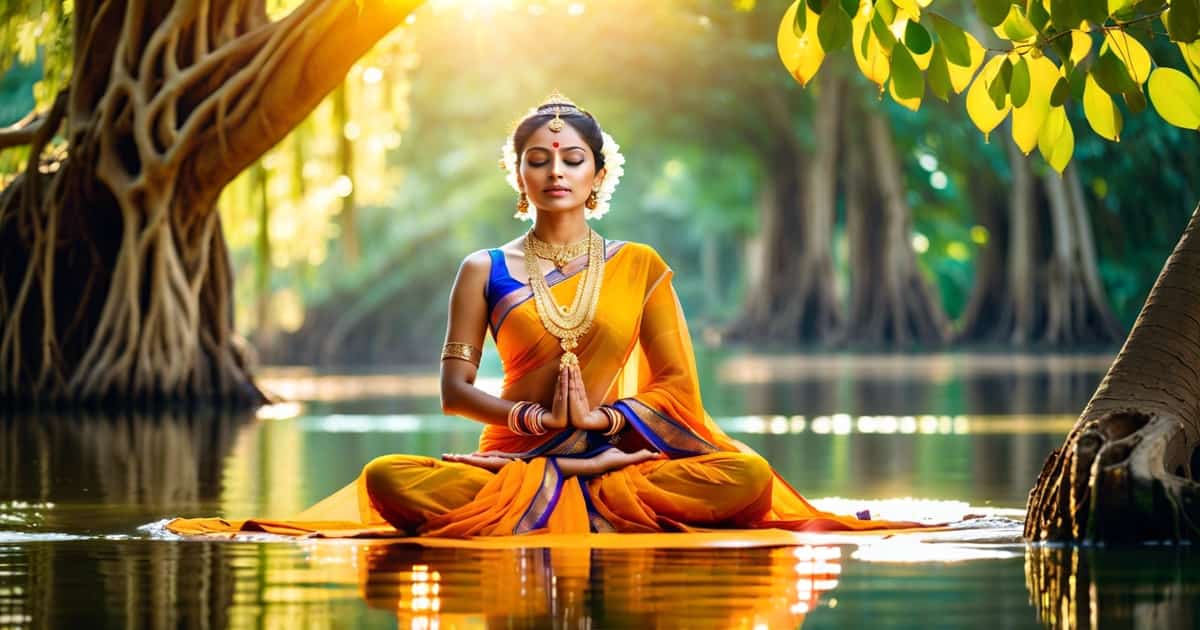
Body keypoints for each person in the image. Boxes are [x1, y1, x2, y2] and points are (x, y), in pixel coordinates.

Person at [167, 92, 922, 539]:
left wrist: (600, 426)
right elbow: (454, 393)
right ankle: (576, 486)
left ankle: (582, 481)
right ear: (518, 173)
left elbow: (680, 397)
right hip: (511, 461)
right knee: (389, 477)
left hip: (623, 455)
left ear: (597, 174)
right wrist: (530, 426)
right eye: (537, 158)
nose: (553, 171)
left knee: (745, 472)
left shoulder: (640, 267)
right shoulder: (483, 269)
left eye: (569, 160)